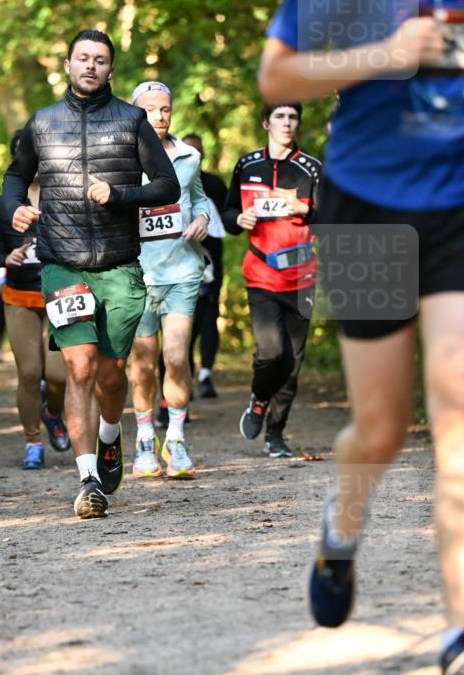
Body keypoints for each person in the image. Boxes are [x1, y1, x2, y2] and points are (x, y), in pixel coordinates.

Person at [259, 0, 464, 675]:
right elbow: (277, 76)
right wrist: (386, 50)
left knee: (461, 403)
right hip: (365, 206)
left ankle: (462, 637)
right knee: (381, 429)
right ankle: (339, 529)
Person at [2, 29, 180, 518]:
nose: (90, 66)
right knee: (78, 367)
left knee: (111, 372)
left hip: (119, 267)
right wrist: (15, 206)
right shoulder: (42, 123)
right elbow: (15, 175)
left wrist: (120, 195)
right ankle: (88, 482)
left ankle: (109, 434)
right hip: (61, 264)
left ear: (110, 70)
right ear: (67, 65)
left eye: (100, 60)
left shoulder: (132, 120)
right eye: (83, 58)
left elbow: (168, 186)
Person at [222, 103, 320, 458]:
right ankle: (259, 398)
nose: (287, 123)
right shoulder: (247, 165)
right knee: (270, 352)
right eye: (280, 116)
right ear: (266, 122)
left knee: (292, 362)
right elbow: (228, 212)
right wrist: (239, 219)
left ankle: (275, 434)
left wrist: (305, 210)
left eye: (293, 117)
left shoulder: (310, 169)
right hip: (261, 273)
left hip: (302, 277)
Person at [0, 134, 69, 469]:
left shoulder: (64, 197)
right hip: (19, 299)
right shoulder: (4, 205)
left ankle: (53, 413)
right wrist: (3, 257)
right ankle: (32, 444)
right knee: (29, 374)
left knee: (57, 376)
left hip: (60, 297)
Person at [128, 83, 208, 479]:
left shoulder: (189, 157)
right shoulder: (120, 159)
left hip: (181, 272)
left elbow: (200, 196)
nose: (159, 117)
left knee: (175, 357)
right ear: (134, 113)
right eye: (150, 110)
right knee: (142, 364)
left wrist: (203, 218)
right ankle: (144, 438)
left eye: (165, 109)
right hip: (136, 275)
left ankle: (175, 438)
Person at [182, 133, 228, 400]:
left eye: (197, 152)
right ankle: (183, 375)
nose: (193, 157)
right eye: (188, 151)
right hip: (180, 264)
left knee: (210, 320)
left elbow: (226, 222)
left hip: (211, 266)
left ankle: (206, 375)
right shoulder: (171, 182)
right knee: (186, 322)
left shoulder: (214, 185)